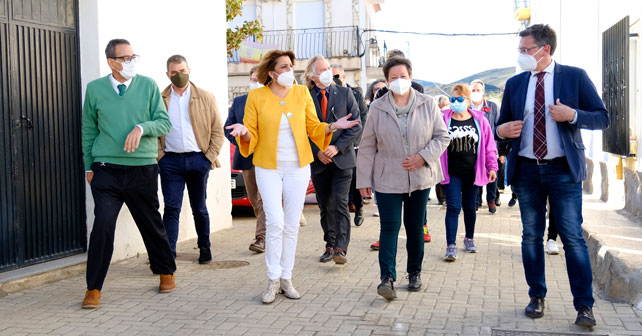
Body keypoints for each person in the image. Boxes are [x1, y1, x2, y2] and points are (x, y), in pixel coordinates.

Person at [495, 24, 609, 326]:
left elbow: (602, 117)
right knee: (530, 236)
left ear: (545, 49)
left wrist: (572, 115)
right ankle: (536, 296)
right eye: (520, 50)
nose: (521, 56)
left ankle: (584, 306)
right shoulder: (516, 83)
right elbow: (502, 126)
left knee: (572, 238)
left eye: (526, 50)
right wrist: (500, 130)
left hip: (562, 170)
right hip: (527, 171)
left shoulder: (575, 76)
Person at [226, 50, 359, 304]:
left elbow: (312, 127)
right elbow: (251, 132)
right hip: (268, 166)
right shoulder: (257, 96)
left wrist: (333, 126)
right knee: (275, 222)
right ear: (272, 72)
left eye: (291, 66)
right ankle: (272, 279)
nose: (289, 71)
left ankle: (286, 277)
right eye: (284, 67)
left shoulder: (300, 94)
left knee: (290, 225)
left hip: (298, 167)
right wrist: (243, 132)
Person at [81, 39, 176, 309]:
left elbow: (164, 122)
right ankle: (93, 288)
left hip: (142, 169)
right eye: (125, 57)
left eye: (134, 56)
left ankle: (166, 271)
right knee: (102, 226)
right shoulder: (95, 89)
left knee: (150, 223)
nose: (131, 61)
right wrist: (89, 165)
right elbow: (89, 129)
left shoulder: (147, 86)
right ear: (111, 62)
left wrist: (141, 127)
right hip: (106, 170)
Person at [357, 57, 449, 300]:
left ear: (411, 76)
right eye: (393, 77)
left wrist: (422, 157)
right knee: (389, 226)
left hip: (419, 177)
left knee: (415, 227)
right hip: (387, 176)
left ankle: (414, 272)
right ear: (387, 81)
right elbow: (367, 146)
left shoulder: (427, 103)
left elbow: (442, 137)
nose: (399, 81)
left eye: (403, 76)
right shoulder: (377, 107)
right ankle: (387, 278)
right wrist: (363, 180)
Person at [158, 55, 224, 264]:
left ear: (189, 71)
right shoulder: (159, 99)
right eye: (174, 72)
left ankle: (205, 247)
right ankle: (168, 253)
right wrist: (160, 157)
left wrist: (208, 157)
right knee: (171, 208)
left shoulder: (205, 97)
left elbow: (217, 131)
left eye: (183, 71)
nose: (179, 75)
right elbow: (154, 132)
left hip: (198, 160)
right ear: (168, 74)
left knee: (199, 207)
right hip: (170, 162)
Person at [304, 56, 361, 264]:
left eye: (328, 68)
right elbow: (302, 131)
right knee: (325, 205)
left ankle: (340, 248)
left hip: (342, 158)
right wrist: (317, 151)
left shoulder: (345, 93)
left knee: (340, 202)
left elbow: (356, 125)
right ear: (312, 76)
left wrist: (337, 147)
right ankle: (329, 243)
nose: (327, 71)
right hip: (319, 161)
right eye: (322, 69)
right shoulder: (306, 97)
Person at [439, 84, 497, 261]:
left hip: (473, 172)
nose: (455, 102)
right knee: (454, 207)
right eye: (453, 99)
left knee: (470, 207)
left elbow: (489, 146)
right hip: (451, 173)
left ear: (468, 101)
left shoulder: (480, 121)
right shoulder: (443, 119)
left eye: (460, 99)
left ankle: (469, 238)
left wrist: (492, 166)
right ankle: (451, 245)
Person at [225, 66, 267, 253]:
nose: (255, 82)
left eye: (259, 79)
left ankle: (261, 238)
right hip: (247, 158)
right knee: (254, 199)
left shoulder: (272, 101)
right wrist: (240, 138)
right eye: (253, 79)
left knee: (263, 199)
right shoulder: (240, 102)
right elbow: (228, 127)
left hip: (268, 158)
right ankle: (268, 230)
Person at [330, 64, 369, 227]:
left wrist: (355, 141)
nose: (334, 80)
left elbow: (363, 118)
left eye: (336, 76)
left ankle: (359, 208)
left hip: (354, 145)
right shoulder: (330, 94)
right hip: (335, 146)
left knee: (355, 179)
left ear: (344, 77)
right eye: (332, 77)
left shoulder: (356, 94)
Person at [470, 79, 501, 213]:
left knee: (492, 176)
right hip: (473, 149)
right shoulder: (466, 108)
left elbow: (499, 127)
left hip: (490, 148)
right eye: (473, 90)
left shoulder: (492, 107)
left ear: (483, 92)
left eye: (478, 90)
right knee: (475, 175)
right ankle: (476, 201)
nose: (476, 92)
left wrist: (502, 152)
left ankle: (491, 200)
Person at [434, 95, 450, 206]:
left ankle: (446, 196)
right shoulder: (435, 115)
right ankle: (441, 198)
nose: (447, 107)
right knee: (439, 175)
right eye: (444, 105)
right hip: (438, 150)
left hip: (448, 149)